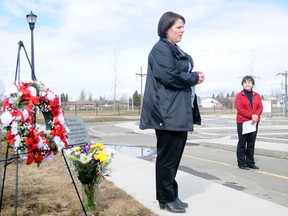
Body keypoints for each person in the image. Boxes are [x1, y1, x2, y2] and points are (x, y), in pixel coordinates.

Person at [139, 11, 205, 213]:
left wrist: (192, 74)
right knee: (167, 159)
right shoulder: (160, 49)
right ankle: (166, 198)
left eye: (183, 26)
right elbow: (169, 76)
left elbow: (179, 71)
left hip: (177, 112)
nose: (182, 30)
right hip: (166, 114)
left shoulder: (173, 49)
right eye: (178, 27)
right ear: (166, 28)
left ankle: (170, 195)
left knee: (173, 158)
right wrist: (193, 77)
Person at [234, 75, 263, 170]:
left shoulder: (257, 95)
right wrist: (251, 115)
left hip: (254, 122)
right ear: (242, 84)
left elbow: (260, 107)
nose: (247, 84)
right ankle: (242, 163)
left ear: (252, 84)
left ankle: (250, 162)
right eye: (245, 82)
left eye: (249, 82)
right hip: (243, 122)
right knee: (242, 143)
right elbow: (240, 108)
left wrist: (256, 116)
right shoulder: (239, 95)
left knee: (251, 143)